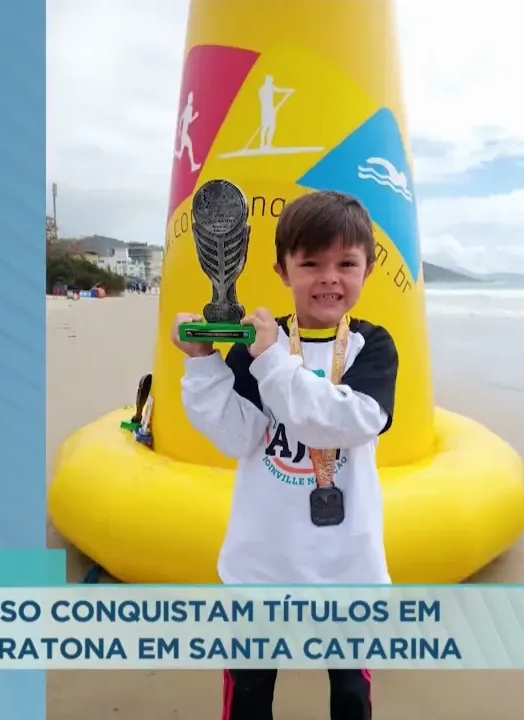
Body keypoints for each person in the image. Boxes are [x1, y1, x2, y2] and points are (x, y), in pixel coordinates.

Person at [172, 191, 398, 720]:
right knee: (248, 701)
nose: (329, 277)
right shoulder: (257, 345)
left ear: (368, 268)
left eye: (346, 263)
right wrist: (204, 365)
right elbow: (237, 437)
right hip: (262, 567)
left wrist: (272, 361)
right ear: (282, 269)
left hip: (347, 568)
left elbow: (343, 420)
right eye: (311, 263)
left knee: (350, 698)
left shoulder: (373, 346)